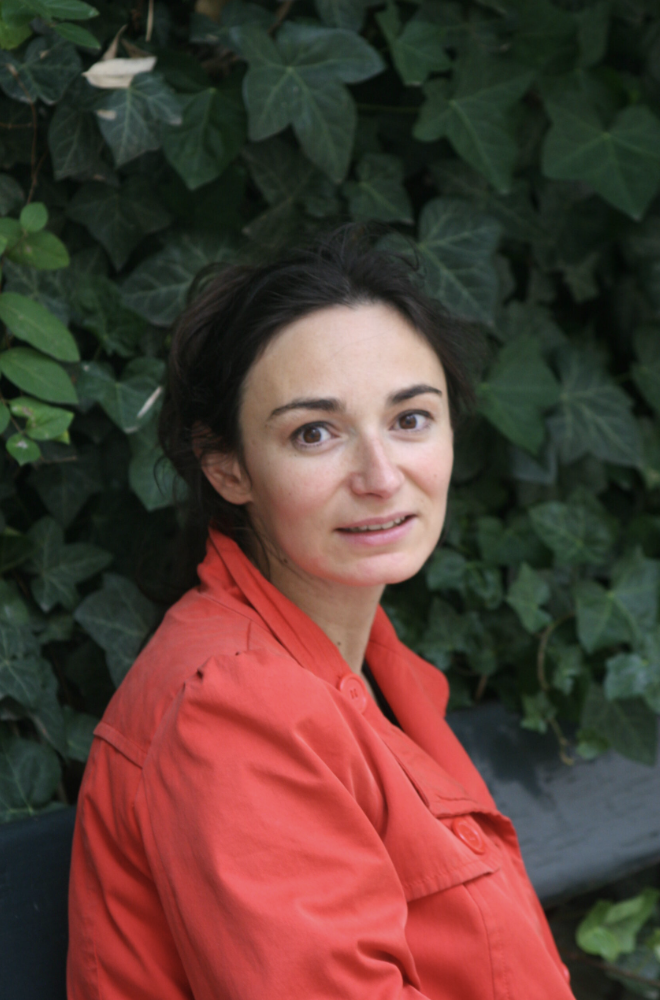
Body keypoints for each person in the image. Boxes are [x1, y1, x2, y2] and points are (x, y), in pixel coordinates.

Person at [67, 226, 575, 1000]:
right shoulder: (233, 706)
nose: (381, 476)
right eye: (314, 433)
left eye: (410, 419)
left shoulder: (367, 667)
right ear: (227, 466)